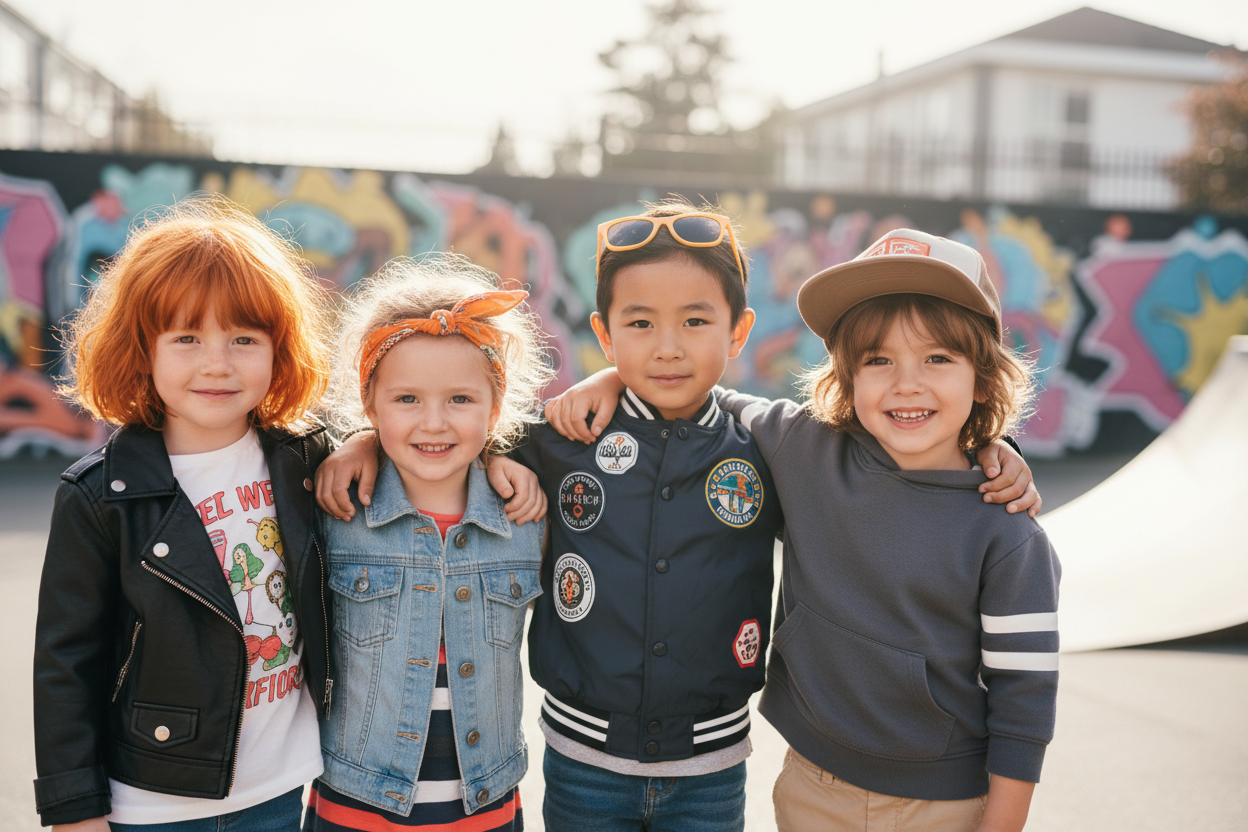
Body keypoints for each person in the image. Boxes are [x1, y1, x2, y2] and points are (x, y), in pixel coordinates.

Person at [318, 206, 1041, 831]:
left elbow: (901, 450)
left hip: (712, 766)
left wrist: (991, 448)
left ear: (739, 331)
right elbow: (450, 434)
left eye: (696, 321)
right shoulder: (560, 438)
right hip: (583, 761)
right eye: (640, 324)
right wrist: (364, 441)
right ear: (606, 334)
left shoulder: (770, 444)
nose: (668, 346)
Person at [557, 228, 1059, 832]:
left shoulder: (1007, 531)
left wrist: (998, 448)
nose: (907, 383)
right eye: (878, 360)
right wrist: (611, 378)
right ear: (847, 376)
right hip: (812, 785)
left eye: (938, 358)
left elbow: (1024, 703)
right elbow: (701, 392)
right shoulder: (805, 448)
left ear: (982, 376)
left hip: (944, 803)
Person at [32, 198, 337, 831]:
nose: (217, 363)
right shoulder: (99, 496)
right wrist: (73, 810)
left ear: (279, 349)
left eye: (244, 339)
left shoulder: (304, 460)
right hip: (155, 801)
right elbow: (66, 663)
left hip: (283, 787)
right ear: (142, 349)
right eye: (187, 338)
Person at [301, 257, 551, 832]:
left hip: (485, 811)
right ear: (370, 404)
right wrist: (358, 443)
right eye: (407, 399)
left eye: (460, 399)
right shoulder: (335, 507)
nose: (434, 423)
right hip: (355, 808)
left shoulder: (526, 514)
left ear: (495, 406)